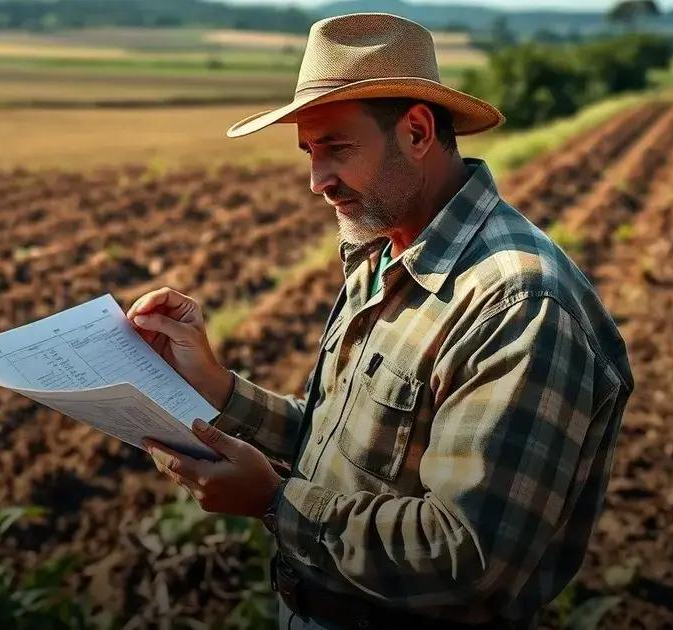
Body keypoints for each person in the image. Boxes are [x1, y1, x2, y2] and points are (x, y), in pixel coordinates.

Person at [126, 12, 634, 630]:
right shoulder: (385, 251)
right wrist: (216, 388)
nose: (318, 182)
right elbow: (345, 453)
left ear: (418, 133)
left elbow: (467, 558)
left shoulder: (518, 304)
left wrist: (272, 502)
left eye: (336, 147)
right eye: (310, 152)